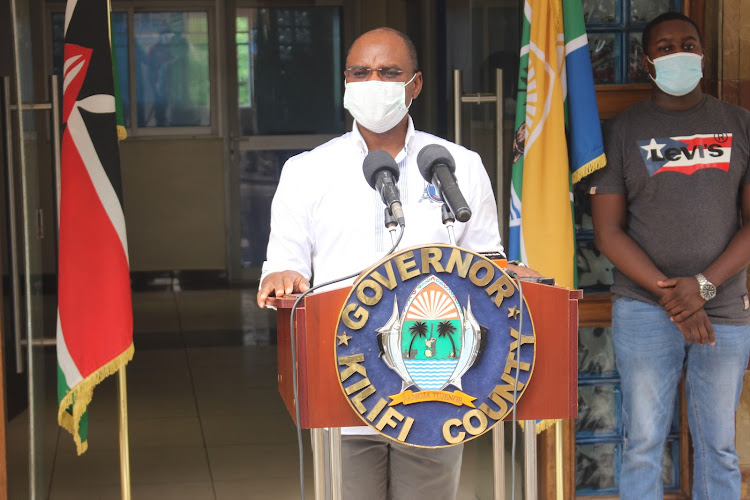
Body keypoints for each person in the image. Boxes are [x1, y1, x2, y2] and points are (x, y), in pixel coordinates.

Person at [256, 27, 533, 500]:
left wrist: (508, 274)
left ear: (416, 84)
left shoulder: (458, 166)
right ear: (345, 83)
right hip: (344, 379)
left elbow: (488, 264)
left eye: (389, 72)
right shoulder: (307, 171)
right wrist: (281, 277)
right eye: (360, 73)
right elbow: (284, 261)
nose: (373, 82)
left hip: (436, 380)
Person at [590, 12, 750, 500]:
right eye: (665, 47)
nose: (678, 52)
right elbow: (607, 232)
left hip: (722, 310)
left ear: (703, 54)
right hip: (644, 309)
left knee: (719, 446)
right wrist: (674, 297)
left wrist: (700, 289)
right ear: (645, 61)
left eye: (688, 43)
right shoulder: (622, 131)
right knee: (642, 443)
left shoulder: (739, 124)